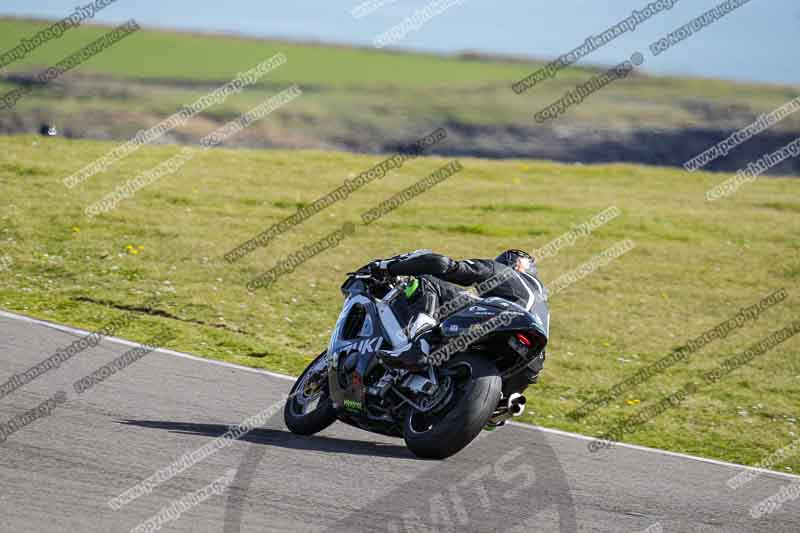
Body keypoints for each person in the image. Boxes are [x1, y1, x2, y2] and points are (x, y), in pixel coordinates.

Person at [369, 249, 548, 395]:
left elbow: (451, 268)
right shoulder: (543, 306)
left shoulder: (504, 272)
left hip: (504, 321)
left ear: (513, 265)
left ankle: (419, 346)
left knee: (427, 282)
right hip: (530, 365)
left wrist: (391, 268)